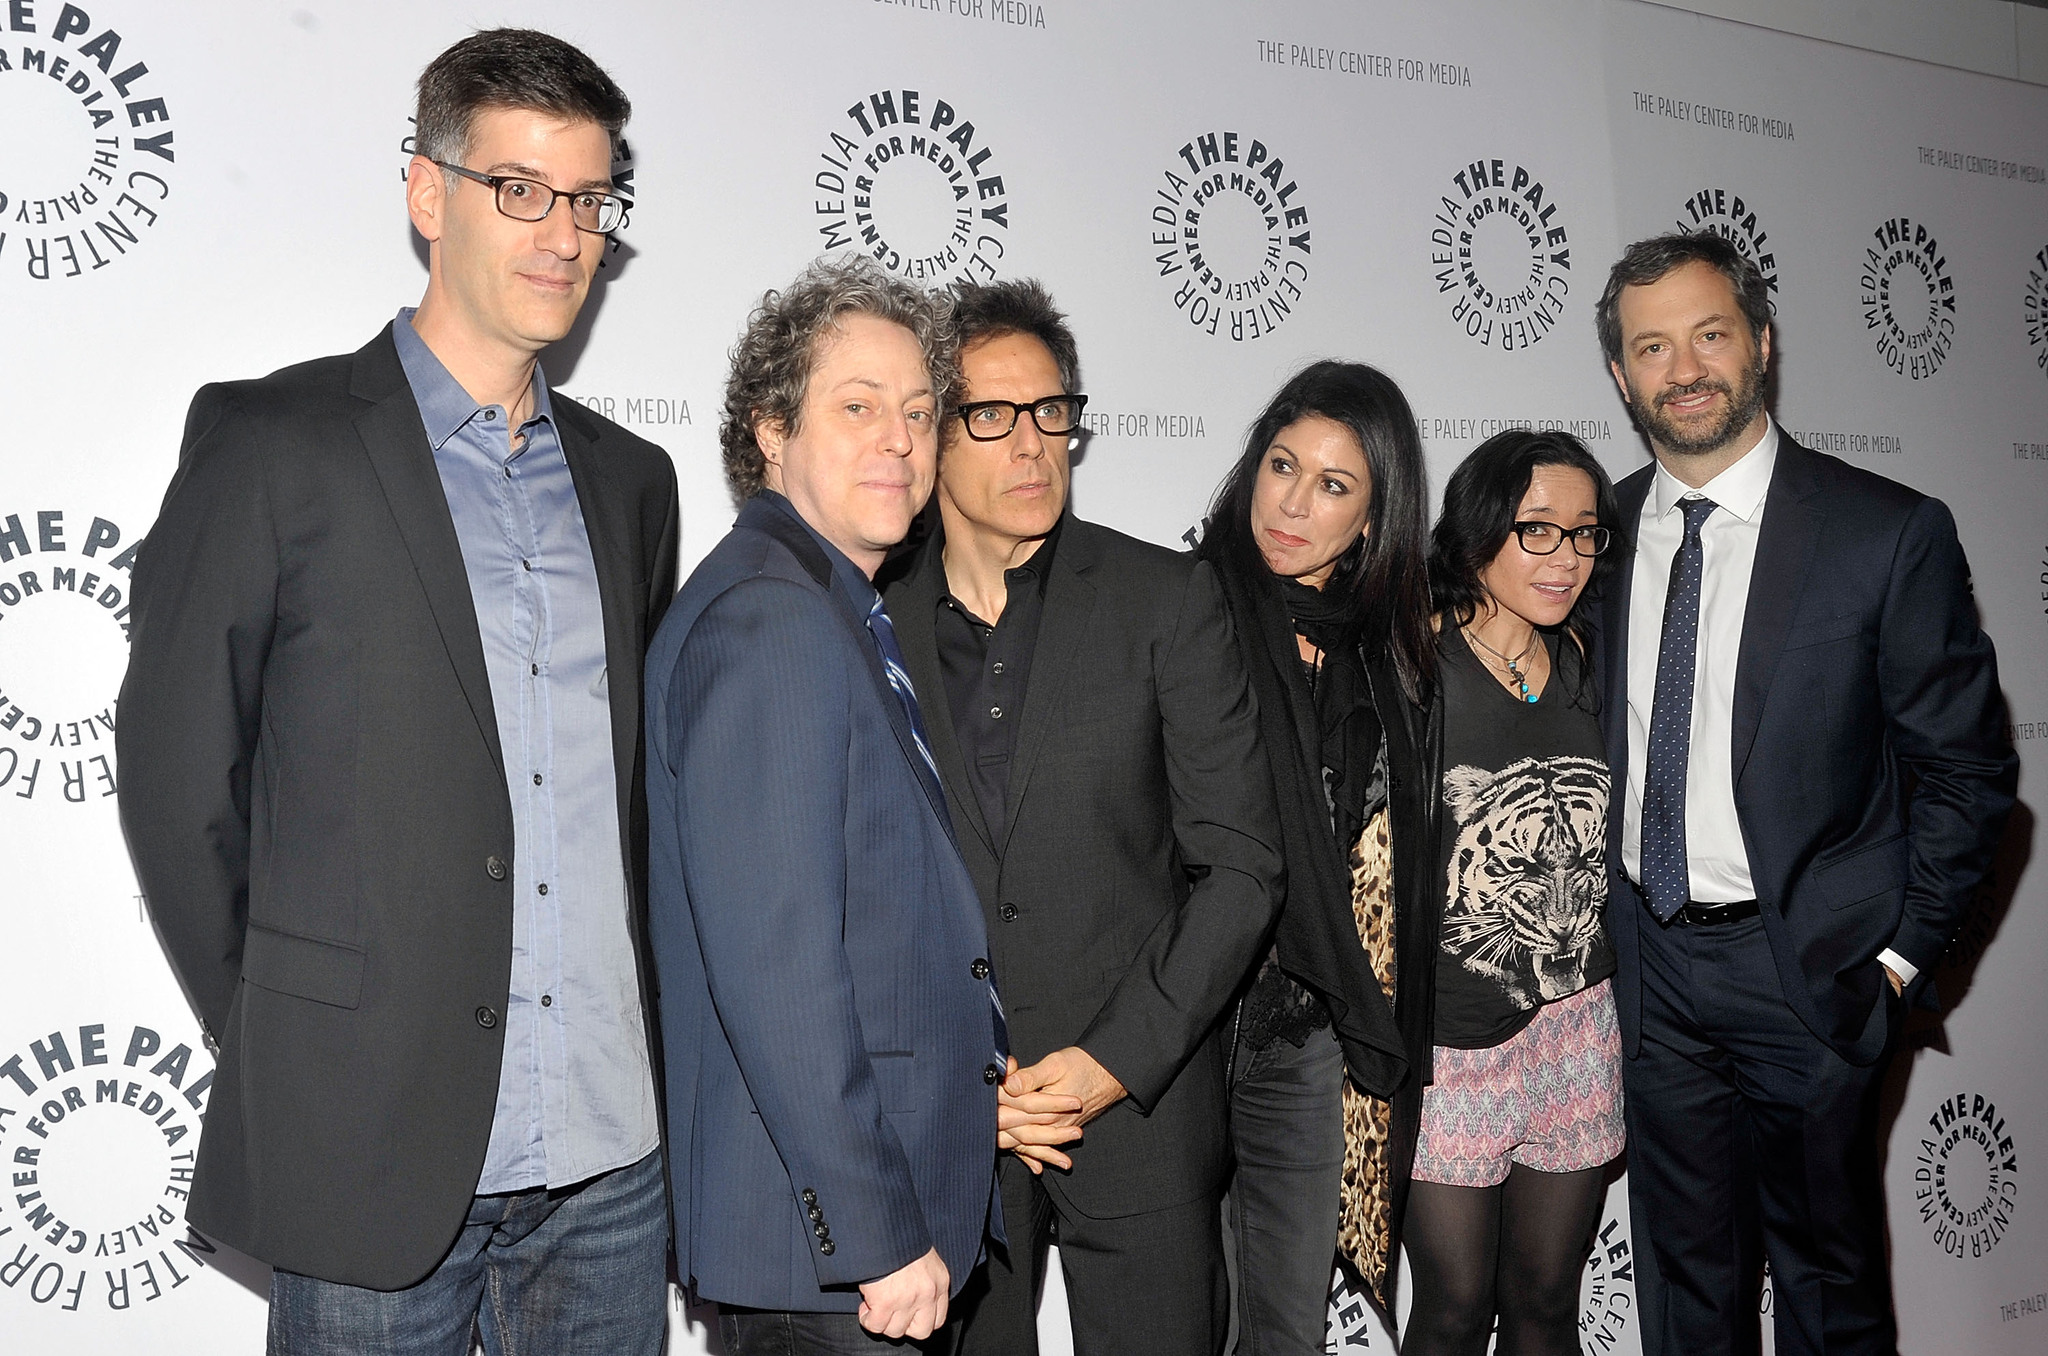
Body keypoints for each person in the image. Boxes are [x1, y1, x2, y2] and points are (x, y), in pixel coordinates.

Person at [117, 30, 676, 1353]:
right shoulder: (273, 443)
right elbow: (179, 783)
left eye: (589, 201)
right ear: (429, 195)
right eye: (519, 189)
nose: (562, 235)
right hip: (365, 1144)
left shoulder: (630, 483)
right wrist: (297, 1035)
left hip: (611, 1162)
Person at [1593, 232, 2017, 1356]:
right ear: (1620, 376)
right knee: (1686, 1296)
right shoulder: (1588, 542)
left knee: (1826, 1291)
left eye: (1709, 334)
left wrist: (1896, 960)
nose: (1683, 367)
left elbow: (1968, 776)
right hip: (1653, 971)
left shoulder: (1882, 533)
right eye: (1651, 347)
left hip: (1812, 976)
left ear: (1761, 344)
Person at [877, 278, 1283, 1356]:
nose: (1032, 444)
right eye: (992, 416)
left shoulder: (1164, 599)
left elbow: (1240, 868)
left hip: (1142, 1115)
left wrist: (1109, 1061)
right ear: (930, 431)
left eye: (1052, 412)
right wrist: (967, 1080)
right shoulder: (864, 615)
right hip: (954, 1121)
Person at [645, 255, 1003, 1354]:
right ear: (770, 432)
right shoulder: (774, 625)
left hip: (844, 1249)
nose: (898, 439)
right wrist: (874, 1233)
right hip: (835, 1263)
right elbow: (779, 972)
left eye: (916, 411)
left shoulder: (826, 607)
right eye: (856, 408)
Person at [1190, 361, 1440, 1354]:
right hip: (1182, 1030)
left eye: (1332, 485)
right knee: (1176, 1320)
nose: (1290, 502)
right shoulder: (1182, 610)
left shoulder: (1384, 659)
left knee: (1287, 1328)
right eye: (1280, 464)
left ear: (1373, 519)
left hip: (1303, 1030)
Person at [1402, 430, 1626, 1356]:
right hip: (1448, 1045)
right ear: (1478, 534)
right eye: (1536, 531)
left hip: (1577, 1027)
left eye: (1584, 535)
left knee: (1545, 1304)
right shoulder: (1411, 669)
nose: (1565, 558)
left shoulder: (1589, 661)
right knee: (1453, 1310)